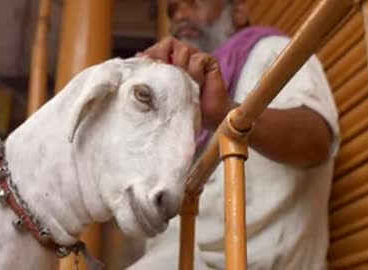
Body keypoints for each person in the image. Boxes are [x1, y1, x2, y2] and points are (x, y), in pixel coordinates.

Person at [127, 0, 340, 269]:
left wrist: (226, 113)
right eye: (172, 11)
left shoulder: (272, 50)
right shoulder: (184, 91)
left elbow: (316, 139)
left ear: (238, 11)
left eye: (192, 3)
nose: (179, 16)